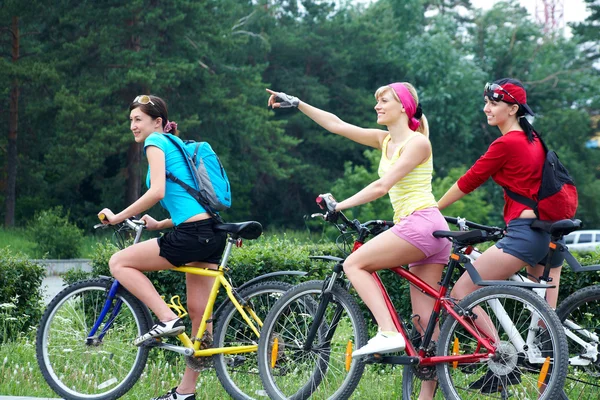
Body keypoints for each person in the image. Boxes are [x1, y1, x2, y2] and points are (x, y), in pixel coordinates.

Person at [267, 83, 451, 399]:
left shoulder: (418, 143)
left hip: (420, 223)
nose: (377, 105)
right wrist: (299, 103)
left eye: (384, 100)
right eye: (376, 100)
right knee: (424, 327)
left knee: (354, 263)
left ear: (404, 107)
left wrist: (341, 205)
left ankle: (388, 331)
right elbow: (337, 125)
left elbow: (382, 186)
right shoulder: (385, 140)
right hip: (426, 231)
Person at [437, 78, 564, 392]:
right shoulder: (534, 140)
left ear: (513, 108)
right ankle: (551, 389)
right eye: (486, 103)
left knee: (460, 294)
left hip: (525, 236)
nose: (486, 109)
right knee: (546, 330)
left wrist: (430, 209)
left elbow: (470, 180)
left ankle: (500, 358)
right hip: (551, 236)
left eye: (493, 103)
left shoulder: (508, 142)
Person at [98, 94, 226, 400]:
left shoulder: (155, 143)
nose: (133, 125)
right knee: (199, 317)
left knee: (119, 262)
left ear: (158, 122)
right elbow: (191, 205)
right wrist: (159, 225)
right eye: (130, 120)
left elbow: (156, 191)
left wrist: (118, 216)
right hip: (209, 231)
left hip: (193, 235)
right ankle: (185, 393)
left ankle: (166, 318)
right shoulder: (178, 146)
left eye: (138, 119)